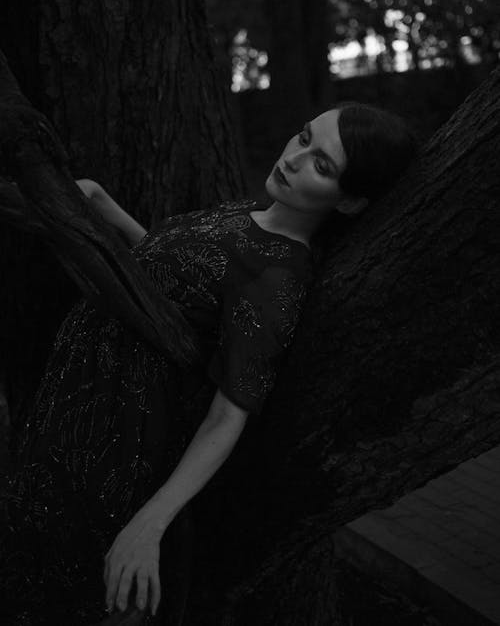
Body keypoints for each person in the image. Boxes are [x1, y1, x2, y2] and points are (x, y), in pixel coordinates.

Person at [0, 103, 416, 625]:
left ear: (350, 201)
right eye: (303, 138)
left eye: (321, 165)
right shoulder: (248, 213)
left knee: (65, 595)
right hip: (72, 410)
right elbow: (169, 273)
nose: (294, 158)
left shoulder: (277, 278)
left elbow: (230, 413)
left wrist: (149, 524)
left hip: (112, 445)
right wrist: (104, 206)